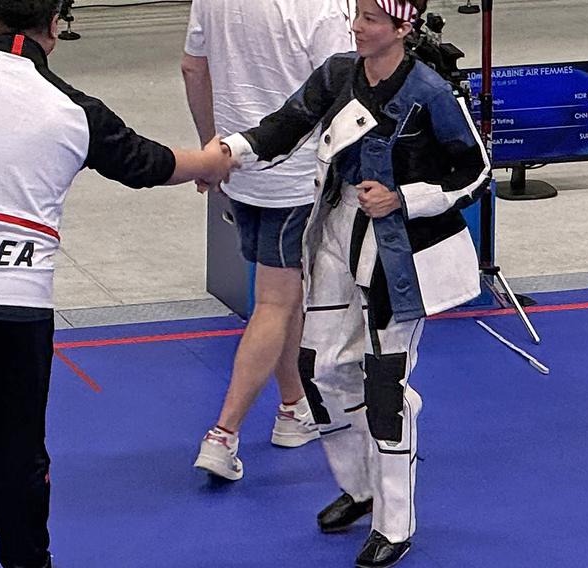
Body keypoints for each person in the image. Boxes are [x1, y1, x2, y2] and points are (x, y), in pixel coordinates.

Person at [0, 1, 234, 566]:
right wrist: (211, 161)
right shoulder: (75, 109)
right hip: (17, 307)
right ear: (54, 28)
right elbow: (146, 164)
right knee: (18, 457)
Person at [220, 0, 491, 564]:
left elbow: (476, 170)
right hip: (336, 238)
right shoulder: (339, 73)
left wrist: (405, 198)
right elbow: (283, 128)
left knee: (386, 390)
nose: (357, 26)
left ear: (403, 26)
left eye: (371, 17)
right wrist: (226, 153)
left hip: (401, 258)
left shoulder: (430, 92)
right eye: (358, 14)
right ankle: (360, 488)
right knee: (315, 369)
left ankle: (395, 524)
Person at [181, 0, 355, 481]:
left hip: (240, 169)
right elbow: (348, 91)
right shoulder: (321, 8)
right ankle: (223, 434)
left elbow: (193, 68)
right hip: (296, 180)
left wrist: (212, 152)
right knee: (276, 303)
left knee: (283, 294)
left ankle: (293, 408)